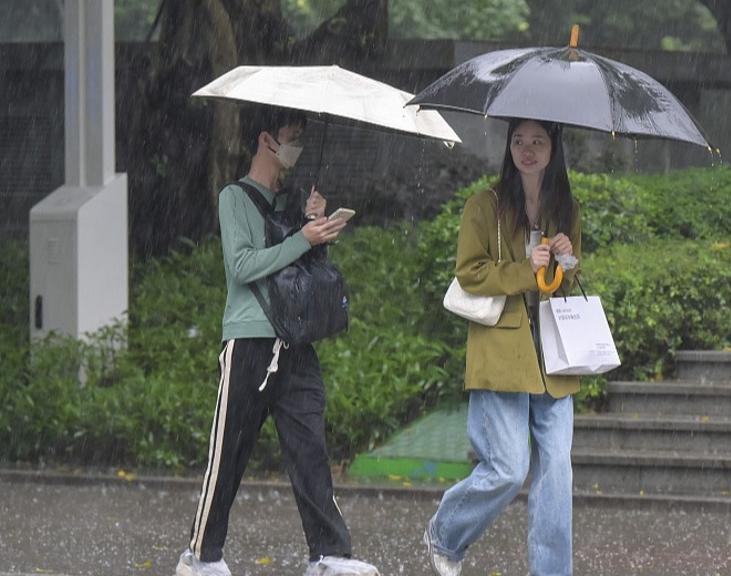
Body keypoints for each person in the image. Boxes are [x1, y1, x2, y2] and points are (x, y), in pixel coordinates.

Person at [176, 107, 379, 576]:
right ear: (265, 139)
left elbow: (297, 272)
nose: (297, 148)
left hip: (295, 343)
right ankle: (201, 555)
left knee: (310, 448)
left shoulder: (288, 202)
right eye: (291, 138)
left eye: (302, 139)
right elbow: (243, 266)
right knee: (229, 452)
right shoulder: (235, 198)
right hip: (250, 341)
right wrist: (302, 239)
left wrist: (315, 227)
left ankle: (328, 554)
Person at [423, 118, 582, 576]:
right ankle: (446, 533)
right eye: (519, 141)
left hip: (553, 357)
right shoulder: (483, 206)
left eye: (538, 141)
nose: (527, 150)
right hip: (501, 354)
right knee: (508, 469)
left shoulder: (566, 207)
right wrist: (522, 270)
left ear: (554, 148)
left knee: (557, 478)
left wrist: (566, 258)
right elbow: (469, 273)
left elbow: (563, 279)